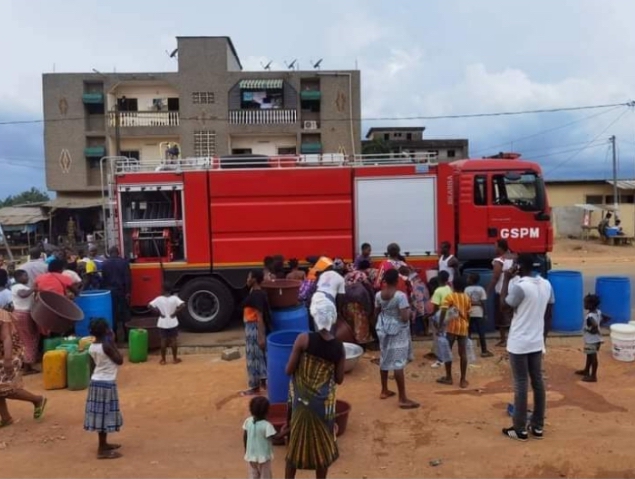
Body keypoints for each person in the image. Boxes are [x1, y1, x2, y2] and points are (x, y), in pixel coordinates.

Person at [283, 292, 346, 479]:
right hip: (323, 404)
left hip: (301, 402)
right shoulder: (339, 347)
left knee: (295, 446)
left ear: (315, 318)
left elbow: (289, 370)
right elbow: (339, 379)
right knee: (322, 447)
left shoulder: (303, 339)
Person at [501, 254, 554, 442]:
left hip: (519, 343)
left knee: (521, 383)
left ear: (519, 266)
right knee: (538, 382)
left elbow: (503, 307)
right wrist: (543, 336)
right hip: (536, 341)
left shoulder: (520, 287)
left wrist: (506, 279)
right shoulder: (546, 284)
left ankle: (519, 429)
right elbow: (549, 312)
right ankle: (538, 426)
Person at [374, 269, 419, 409]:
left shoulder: (378, 295)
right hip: (397, 330)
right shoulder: (400, 296)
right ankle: (402, 398)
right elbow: (404, 317)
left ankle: (384, 390)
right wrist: (410, 310)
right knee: (398, 362)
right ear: (397, 281)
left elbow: (376, 312)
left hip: (383, 328)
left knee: (385, 357)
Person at [0, 301, 48, 429]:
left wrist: (8, 359)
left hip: (10, 353)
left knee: (4, 388)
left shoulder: (2, 315)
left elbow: (6, 338)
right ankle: (5, 417)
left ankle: (37, 400)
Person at [84, 319, 124, 459]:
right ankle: (102, 450)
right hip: (106, 383)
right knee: (104, 416)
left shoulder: (91, 347)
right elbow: (120, 360)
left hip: (96, 381)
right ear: (106, 330)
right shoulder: (107, 345)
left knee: (101, 415)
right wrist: (113, 342)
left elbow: (92, 367)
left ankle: (104, 444)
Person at [437, 277, 472, 388]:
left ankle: (449, 377)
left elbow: (443, 310)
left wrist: (440, 325)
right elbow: (469, 313)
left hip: (451, 327)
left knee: (448, 352)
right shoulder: (467, 298)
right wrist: (467, 325)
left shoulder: (450, 296)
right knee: (463, 354)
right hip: (463, 327)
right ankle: (462, 380)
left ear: (453, 286)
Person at [242, 270, 269, 396]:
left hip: (253, 328)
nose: (247, 279)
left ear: (254, 279)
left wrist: (261, 336)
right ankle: (263, 382)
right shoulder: (258, 293)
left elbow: (259, 316)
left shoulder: (256, 295)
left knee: (252, 357)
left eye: (248, 277)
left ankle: (254, 387)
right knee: (260, 356)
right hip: (254, 327)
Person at [488, 239, 516, 347]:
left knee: (502, 316)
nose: (495, 248)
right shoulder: (515, 257)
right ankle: (513, 338)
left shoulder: (499, 260)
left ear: (500, 247)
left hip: (502, 291)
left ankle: (503, 340)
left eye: (496, 246)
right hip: (515, 290)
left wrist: (487, 291)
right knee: (514, 315)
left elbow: (495, 278)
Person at [148, 284, 185, 365]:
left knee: (163, 340)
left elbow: (149, 305)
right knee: (173, 340)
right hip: (172, 322)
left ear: (163, 289)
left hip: (163, 322)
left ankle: (163, 360)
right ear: (171, 290)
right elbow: (183, 305)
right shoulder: (174, 298)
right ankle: (175, 359)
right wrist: (175, 313)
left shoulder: (159, 299)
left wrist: (159, 313)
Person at [10, 270, 39, 374]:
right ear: (18, 277)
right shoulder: (18, 287)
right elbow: (23, 294)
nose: (27, 278)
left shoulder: (17, 286)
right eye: (25, 276)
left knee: (23, 339)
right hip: (23, 314)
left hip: (19, 314)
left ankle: (24, 364)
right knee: (29, 339)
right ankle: (27, 367)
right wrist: (33, 289)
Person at [102, 247, 132, 342]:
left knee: (113, 313)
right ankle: (127, 336)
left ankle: (114, 337)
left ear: (109, 253)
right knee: (124, 313)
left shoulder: (104, 264)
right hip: (121, 291)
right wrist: (128, 292)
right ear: (118, 253)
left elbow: (104, 279)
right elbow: (127, 279)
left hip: (110, 292)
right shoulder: (124, 263)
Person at [243, 396, 277, 479]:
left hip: (251, 456)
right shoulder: (267, 425)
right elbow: (276, 437)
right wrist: (289, 429)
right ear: (267, 412)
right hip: (264, 458)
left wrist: (246, 450)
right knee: (265, 476)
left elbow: (245, 436)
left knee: (253, 476)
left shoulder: (248, 421)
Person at [342, 260, 374, 345]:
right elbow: (368, 287)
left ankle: (352, 341)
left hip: (347, 302)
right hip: (359, 303)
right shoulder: (361, 274)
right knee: (360, 323)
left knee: (350, 322)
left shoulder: (345, 276)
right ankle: (362, 342)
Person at [428, 271, 453, 368]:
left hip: (440, 315)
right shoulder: (449, 289)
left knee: (439, 337)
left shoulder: (438, 291)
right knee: (446, 336)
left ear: (439, 279)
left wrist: (433, 316)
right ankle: (447, 356)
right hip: (449, 314)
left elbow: (436, 307)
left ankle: (440, 359)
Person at [576, 294, 603, 382]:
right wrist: (599, 325)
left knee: (593, 356)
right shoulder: (598, 312)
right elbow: (606, 318)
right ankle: (586, 370)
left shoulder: (590, 317)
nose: (584, 304)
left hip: (592, 340)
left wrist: (591, 330)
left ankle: (593, 376)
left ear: (591, 305)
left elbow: (594, 325)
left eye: (585, 303)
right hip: (596, 339)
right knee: (589, 355)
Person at [465, 273, 493, 358]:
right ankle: (484, 351)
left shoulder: (466, 289)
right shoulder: (481, 289)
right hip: (479, 312)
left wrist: (471, 303)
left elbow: (466, 302)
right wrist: (485, 313)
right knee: (481, 332)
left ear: (470, 280)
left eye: (468, 278)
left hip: (469, 312)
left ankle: (467, 351)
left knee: (468, 332)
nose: (467, 279)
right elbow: (483, 302)